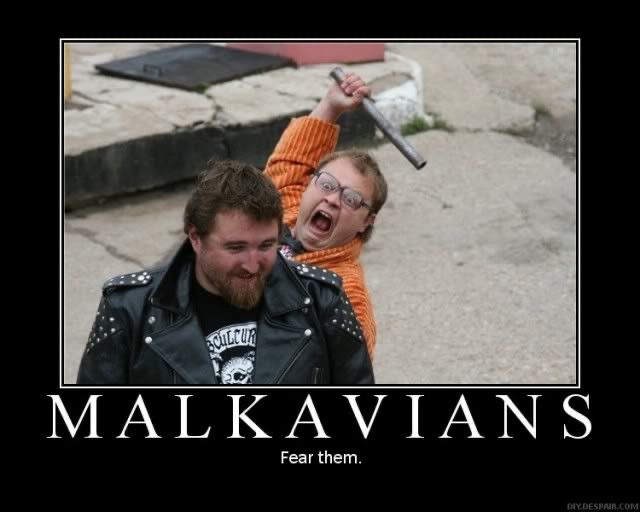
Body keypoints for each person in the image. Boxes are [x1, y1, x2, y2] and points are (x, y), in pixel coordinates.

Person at [76, 160, 373, 385]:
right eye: (236, 248)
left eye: (266, 245)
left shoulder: (323, 299)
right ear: (196, 238)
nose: (252, 265)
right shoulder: (128, 308)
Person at [265, 71, 388, 358]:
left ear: (366, 221)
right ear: (309, 184)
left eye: (351, 199)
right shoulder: (284, 209)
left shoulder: (347, 293)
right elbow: (292, 162)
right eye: (327, 185)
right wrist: (331, 105)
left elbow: (352, 368)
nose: (332, 200)